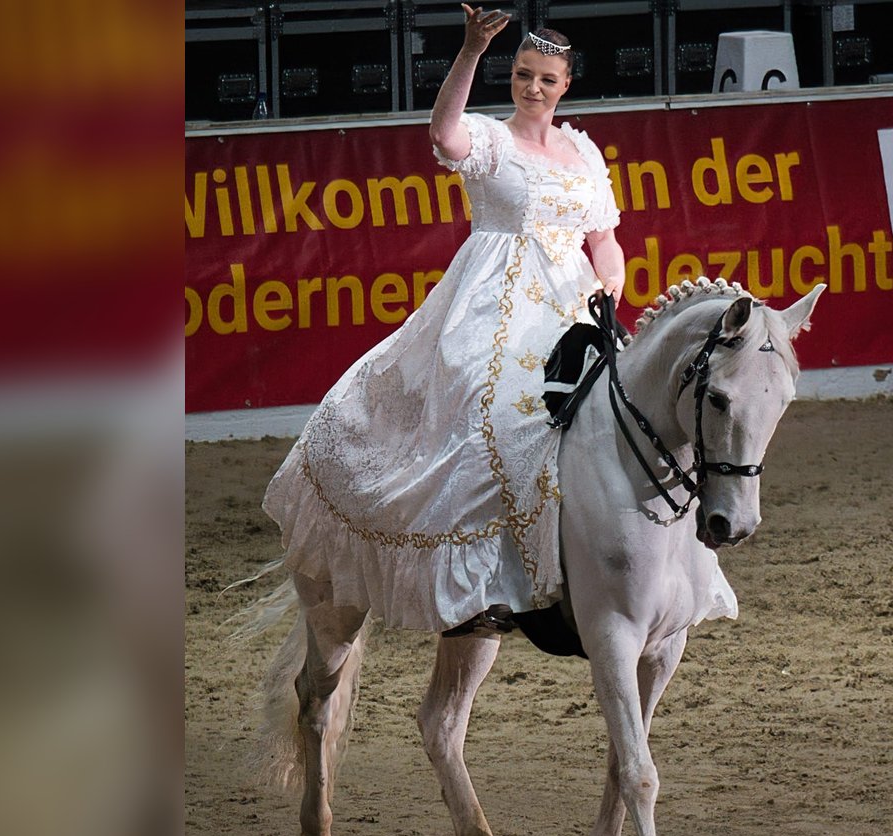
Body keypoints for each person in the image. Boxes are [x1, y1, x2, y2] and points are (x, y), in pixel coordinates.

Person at [262, 8, 625, 632]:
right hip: (496, 294)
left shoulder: (584, 152)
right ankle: (481, 578)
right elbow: (442, 134)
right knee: (486, 406)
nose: (532, 88)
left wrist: (610, 281)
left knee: (613, 413)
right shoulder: (489, 138)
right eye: (522, 75)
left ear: (566, 85)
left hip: (574, 300)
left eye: (545, 79)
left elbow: (606, 237)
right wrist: (470, 52)